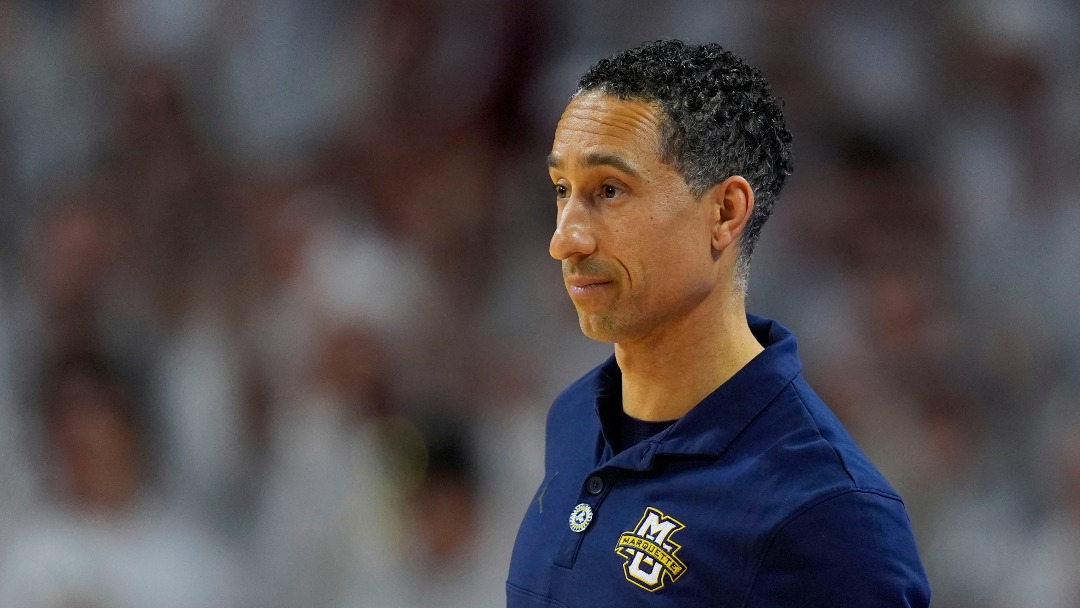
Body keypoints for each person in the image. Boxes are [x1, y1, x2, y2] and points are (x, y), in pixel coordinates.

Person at [506, 40, 930, 607]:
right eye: (563, 191)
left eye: (609, 190)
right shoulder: (574, 419)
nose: (566, 239)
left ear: (725, 212)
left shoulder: (829, 513)